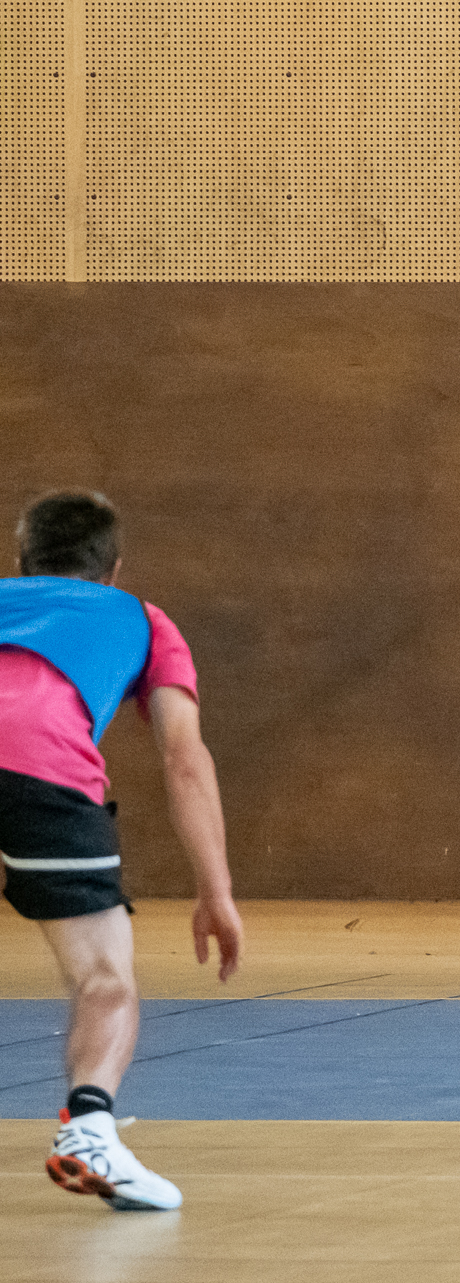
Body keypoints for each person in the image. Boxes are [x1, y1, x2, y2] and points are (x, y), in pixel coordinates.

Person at [3, 490, 244, 1211]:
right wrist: (215, 891)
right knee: (104, 978)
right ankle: (89, 1128)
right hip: (42, 774)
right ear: (113, 569)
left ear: (21, 560)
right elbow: (184, 759)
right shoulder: (142, 619)